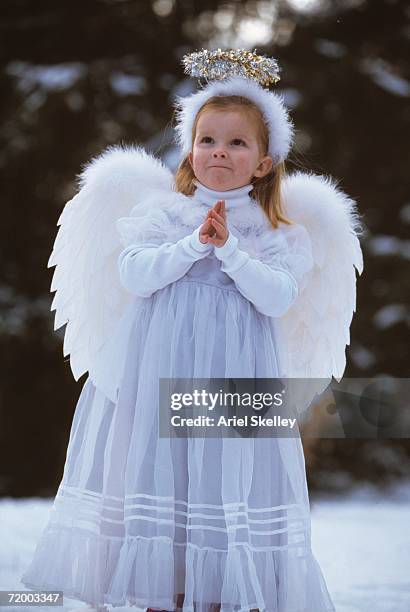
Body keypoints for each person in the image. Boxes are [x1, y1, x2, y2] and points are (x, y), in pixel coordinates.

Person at [21, 49, 364, 612]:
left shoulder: (277, 231)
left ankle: (219, 593)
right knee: (165, 479)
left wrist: (230, 249)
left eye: (236, 143)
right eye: (207, 140)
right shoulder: (164, 214)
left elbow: (277, 295)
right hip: (162, 368)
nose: (219, 153)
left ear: (263, 161)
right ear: (189, 149)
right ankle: (162, 591)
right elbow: (134, 272)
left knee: (221, 480)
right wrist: (191, 245)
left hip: (233, 375)